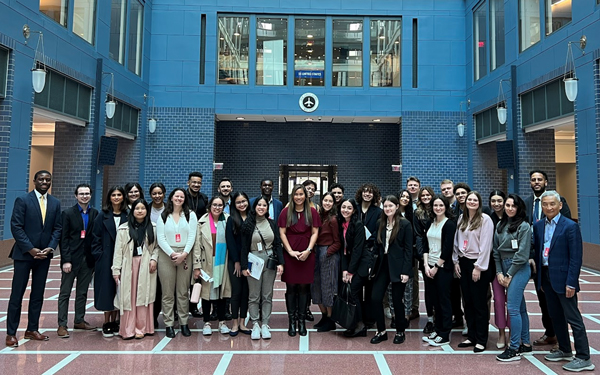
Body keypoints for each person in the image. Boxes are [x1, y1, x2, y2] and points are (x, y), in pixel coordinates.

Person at [533, 191, 594, 372]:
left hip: (564, 279)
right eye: (545, 204)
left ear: (560, 205)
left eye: (552, 204)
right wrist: (540, 280)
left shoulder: (570, 226)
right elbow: (538, 253)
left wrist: (571, 283)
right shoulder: (538, 225)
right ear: (541, 206)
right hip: (546, 277)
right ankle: (565, 349)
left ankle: (584, 357)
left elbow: (576, 258)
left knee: (573, 318)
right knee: (555, 316)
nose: (549, 207)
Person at [6, 170, 62, 347]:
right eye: (41, 179)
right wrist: (30, 249)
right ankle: (11, 333)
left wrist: (50, 247)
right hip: (24, 255)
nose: (45, 182)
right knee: (17, 294)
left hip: (44, 256)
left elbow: (57, 229)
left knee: (38, 294)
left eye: (48, 179)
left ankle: (32, 329)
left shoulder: (55, 203)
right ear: (34, 181)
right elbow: (16, 226)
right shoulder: (23, 200)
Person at [524, 170, 571, 348]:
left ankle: (563, 339)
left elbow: (566, 229)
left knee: (560, 303)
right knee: (544, 300)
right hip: (536, 260)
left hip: (555, 261)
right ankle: (550, 333)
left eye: (539, 179)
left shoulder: (559, 202)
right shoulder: (527, 203)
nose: (536, 182)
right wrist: (530, 256)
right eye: (533, 180)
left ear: (546, 182)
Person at [453, 191, 494, 353]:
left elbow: (486, 245)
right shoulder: (462, 219)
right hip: (463, 262)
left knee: (479, 303)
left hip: (478, 264)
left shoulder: (485, 220)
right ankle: (471, 335)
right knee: (467, 302)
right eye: (469, 199)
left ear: (479, 202)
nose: (471, 202)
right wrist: (456, 260)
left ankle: (481, 339)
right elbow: (457, 241)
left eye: (474, 200)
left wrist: (478, 267)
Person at [278, 184, 321, 337]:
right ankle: (292, 322)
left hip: (307, 253)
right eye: (296, 194)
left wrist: (309, 250)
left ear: (306, 196)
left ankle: (301, 322)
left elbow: (315, 232)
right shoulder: (285, 212)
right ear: (292, 196)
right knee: (291, 288)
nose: (299, 197)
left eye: (301, 194)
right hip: (290, 254)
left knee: (303, 288)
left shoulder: (313, 212)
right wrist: (289, 251)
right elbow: (282, 233)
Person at [494, 194, 532, 361]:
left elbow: (522, 255)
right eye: (507, 205)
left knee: (513, 308)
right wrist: (499, 273)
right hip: (503, 266)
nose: (509, 208)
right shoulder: (500, 225)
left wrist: (509, 275)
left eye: (513, 206)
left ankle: (514, 348)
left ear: (519, 208)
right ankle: (527, 344)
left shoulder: (524, 227)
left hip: (519, 269)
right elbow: (495, 252)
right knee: (521, 308)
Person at [112, 199, 158, 339]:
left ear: (147, 211)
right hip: (128, 266)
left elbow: (156, 248)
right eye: (137, 208)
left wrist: (153, 259)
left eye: (143, 208)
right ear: (132, 211)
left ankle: (142, 328)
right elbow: (118, 251)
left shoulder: (153, 227)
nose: (140, 211)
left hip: (145, 266)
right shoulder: (123, 228)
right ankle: (128, 329)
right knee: (128, 298)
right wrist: (116, 270)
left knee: (143, 296)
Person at [369, 195, 412, 345]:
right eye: (385, 206)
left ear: (396, 207)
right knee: (375, 298)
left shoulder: (405, 224)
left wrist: (406, 271)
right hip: (382, 265)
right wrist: (371, 265)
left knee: (396, 300)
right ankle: (381, 331)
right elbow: (376, 245)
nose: (388, 209)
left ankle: (400, 331)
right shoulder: (380, 223)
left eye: (390, 206)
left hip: (399, 267)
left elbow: (408, 250)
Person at [57, 183, 98, 338]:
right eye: (81, 194)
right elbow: (64, 239)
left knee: (82, 292)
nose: (84, 196)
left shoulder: (95, 213)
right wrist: (66, 260)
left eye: (87, 193)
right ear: (76, 196)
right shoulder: (67, 213)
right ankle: (62, 324)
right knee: (65, 292)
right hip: (71, 260)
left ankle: (79, 320)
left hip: (87, 261)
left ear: (91, 195)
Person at [241, 196, 285, 340]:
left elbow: (277, 244)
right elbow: (243, 248)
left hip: (270, 261)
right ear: (254, 207)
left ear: (267, 208)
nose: (261, 207)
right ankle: (255, 324)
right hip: (253, 260)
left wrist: (280, 263)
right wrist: (243, 266)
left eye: (264, 205)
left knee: (267, 295)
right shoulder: (248, 224)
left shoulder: (272, 223)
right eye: (259, 205)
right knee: (254, 295)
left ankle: (265, 324)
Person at [156, 188, 198, 338]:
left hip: (185, 254)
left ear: (184, 199)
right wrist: (173, 254)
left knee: (182, 292)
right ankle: (168, 324)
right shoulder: (163, 215)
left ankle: (184, 323)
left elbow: (192, 235)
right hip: (167, 255)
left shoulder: (190, 215)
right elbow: (160, 237)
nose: (179, 198)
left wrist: (184, 254)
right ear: (171, 198)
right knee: (167, 293)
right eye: (176, 196)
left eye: (182, 196)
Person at [92, 185, 128, 338]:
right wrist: (99, 255)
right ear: (109, 198)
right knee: (107, 290)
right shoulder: (102, 215)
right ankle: (107, 322)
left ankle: (117, 321)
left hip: (124, 258)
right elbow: (95, 238)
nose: (116, 197)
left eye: (119, 194)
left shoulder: (128, 215)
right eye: (113, 195)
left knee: (120, 289)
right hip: (106, 259)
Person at [422, 195, 456, 346]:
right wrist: (426, 265)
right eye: (435, 205)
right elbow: (424, 244)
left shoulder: (449, 224)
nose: (438, 208)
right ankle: (437, 328)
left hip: (442, 268)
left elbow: (448, 248)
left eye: (441, 205)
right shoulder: (431, 222)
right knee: (434, 301)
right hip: (429, 267)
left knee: (444, 301)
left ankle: (445, 334)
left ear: (446, 207)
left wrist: (436, 267)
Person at [194, 196, 232, 336]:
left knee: (222, 293)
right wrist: (196, 266)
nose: (217, 207)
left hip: (223, 261)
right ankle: (207, 322)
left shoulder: (228, 220)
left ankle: (222, 322)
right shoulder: (202, 222)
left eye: (220, 205)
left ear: (223, 206)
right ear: (210, 206)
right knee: (207, 294)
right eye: (214, 205)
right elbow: (197, 246)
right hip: (207, 262)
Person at [338, 198, 370, 338]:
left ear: (354, 210)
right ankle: (353, 323)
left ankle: (360, 325)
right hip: (351, 263)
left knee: (354, 292)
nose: (345, 210)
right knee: (352, 293)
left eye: (349, 208)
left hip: (361, 264)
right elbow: (343, 250)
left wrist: (350, 271)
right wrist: (345, 270)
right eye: (343, 207)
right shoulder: (342, 224)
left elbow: (357, 250)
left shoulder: (358, 225)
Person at [312, 192, 341, 332]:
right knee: (316, 285)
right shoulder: (319, 216)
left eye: (330, 201)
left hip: (328, 254)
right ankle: (324, 315)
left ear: (333, 203)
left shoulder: (334, 220)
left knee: (328, 287)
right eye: (325, 200)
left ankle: (330, 319)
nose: (327, 203)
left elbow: (338, 241)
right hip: (316, 252)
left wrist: (327, 253)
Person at [225, 192, 251, 336]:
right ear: (234, 204)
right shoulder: (231, 220)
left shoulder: (252, 218)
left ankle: (242, 323)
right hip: (235, 262)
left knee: (246, 293)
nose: (242, 204)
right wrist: (236, 262)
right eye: (238, 202)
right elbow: (231, 242)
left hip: (250, 262)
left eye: (244, 201)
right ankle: (234, 323)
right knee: (236, 292)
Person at [488, 190, 509, 349]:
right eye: (493, 201)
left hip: (513, 265)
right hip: (495, 265)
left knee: (515, 303)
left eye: (499, 200)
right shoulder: (488, 219)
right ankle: (501, 332)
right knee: (499, 300)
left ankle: (515, 333)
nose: (496, 204)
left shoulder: (513, 218)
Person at [186, 172, 208, 318]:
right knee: (182, 277)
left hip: (199, 239)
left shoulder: (204, 198)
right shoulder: (182, 196)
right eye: (194, 182)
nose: (196, 185)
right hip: (184, 237)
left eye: (199, 183)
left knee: (196, 276)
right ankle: (178, 308)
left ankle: (193, 306)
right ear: (188, 182)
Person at [414, 186, 435, 333]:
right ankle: (430, 319)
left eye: (428, 195)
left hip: (440, 255)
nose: (426, 197)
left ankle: (441, 318)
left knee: (441, 290)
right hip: (425, 256)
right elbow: (418, 235)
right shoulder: (417, 213)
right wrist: (422, 256)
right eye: (423, 195)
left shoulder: (438, 209)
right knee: (429, 290)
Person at [397, 189, 415, 322]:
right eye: (402, 196)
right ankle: (394, 313)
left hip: (408, 254)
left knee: (408, 286)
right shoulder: (391, 213)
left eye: (407, 197)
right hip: (394, 255)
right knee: (393, 287)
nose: (404, 198)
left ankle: (407, 314)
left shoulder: (411, 215)